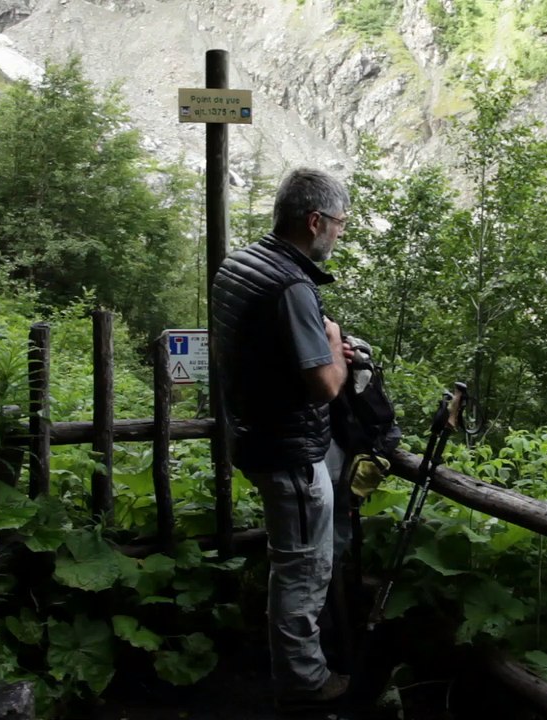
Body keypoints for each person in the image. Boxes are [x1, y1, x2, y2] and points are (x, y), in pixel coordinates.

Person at [210, 168, 353, 710]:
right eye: (339, 223)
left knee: (289, 558)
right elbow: (324, 387)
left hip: (251, 434)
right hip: (289, 451)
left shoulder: (241, 263)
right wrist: (334, 347)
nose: (340, 232)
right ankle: (304, 682)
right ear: (315, 221)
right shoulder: (292, 286)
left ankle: (294, 664)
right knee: (302, 567)